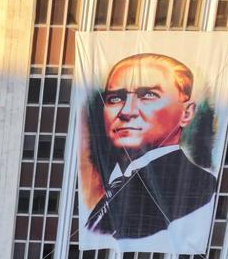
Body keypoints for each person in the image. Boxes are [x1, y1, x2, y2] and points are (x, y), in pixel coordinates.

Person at [84, 52, 219, 246]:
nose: (127, 112)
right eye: (115, 98)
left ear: (186, 113)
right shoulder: (116, 180)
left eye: (148, 95)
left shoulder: (197, 186)